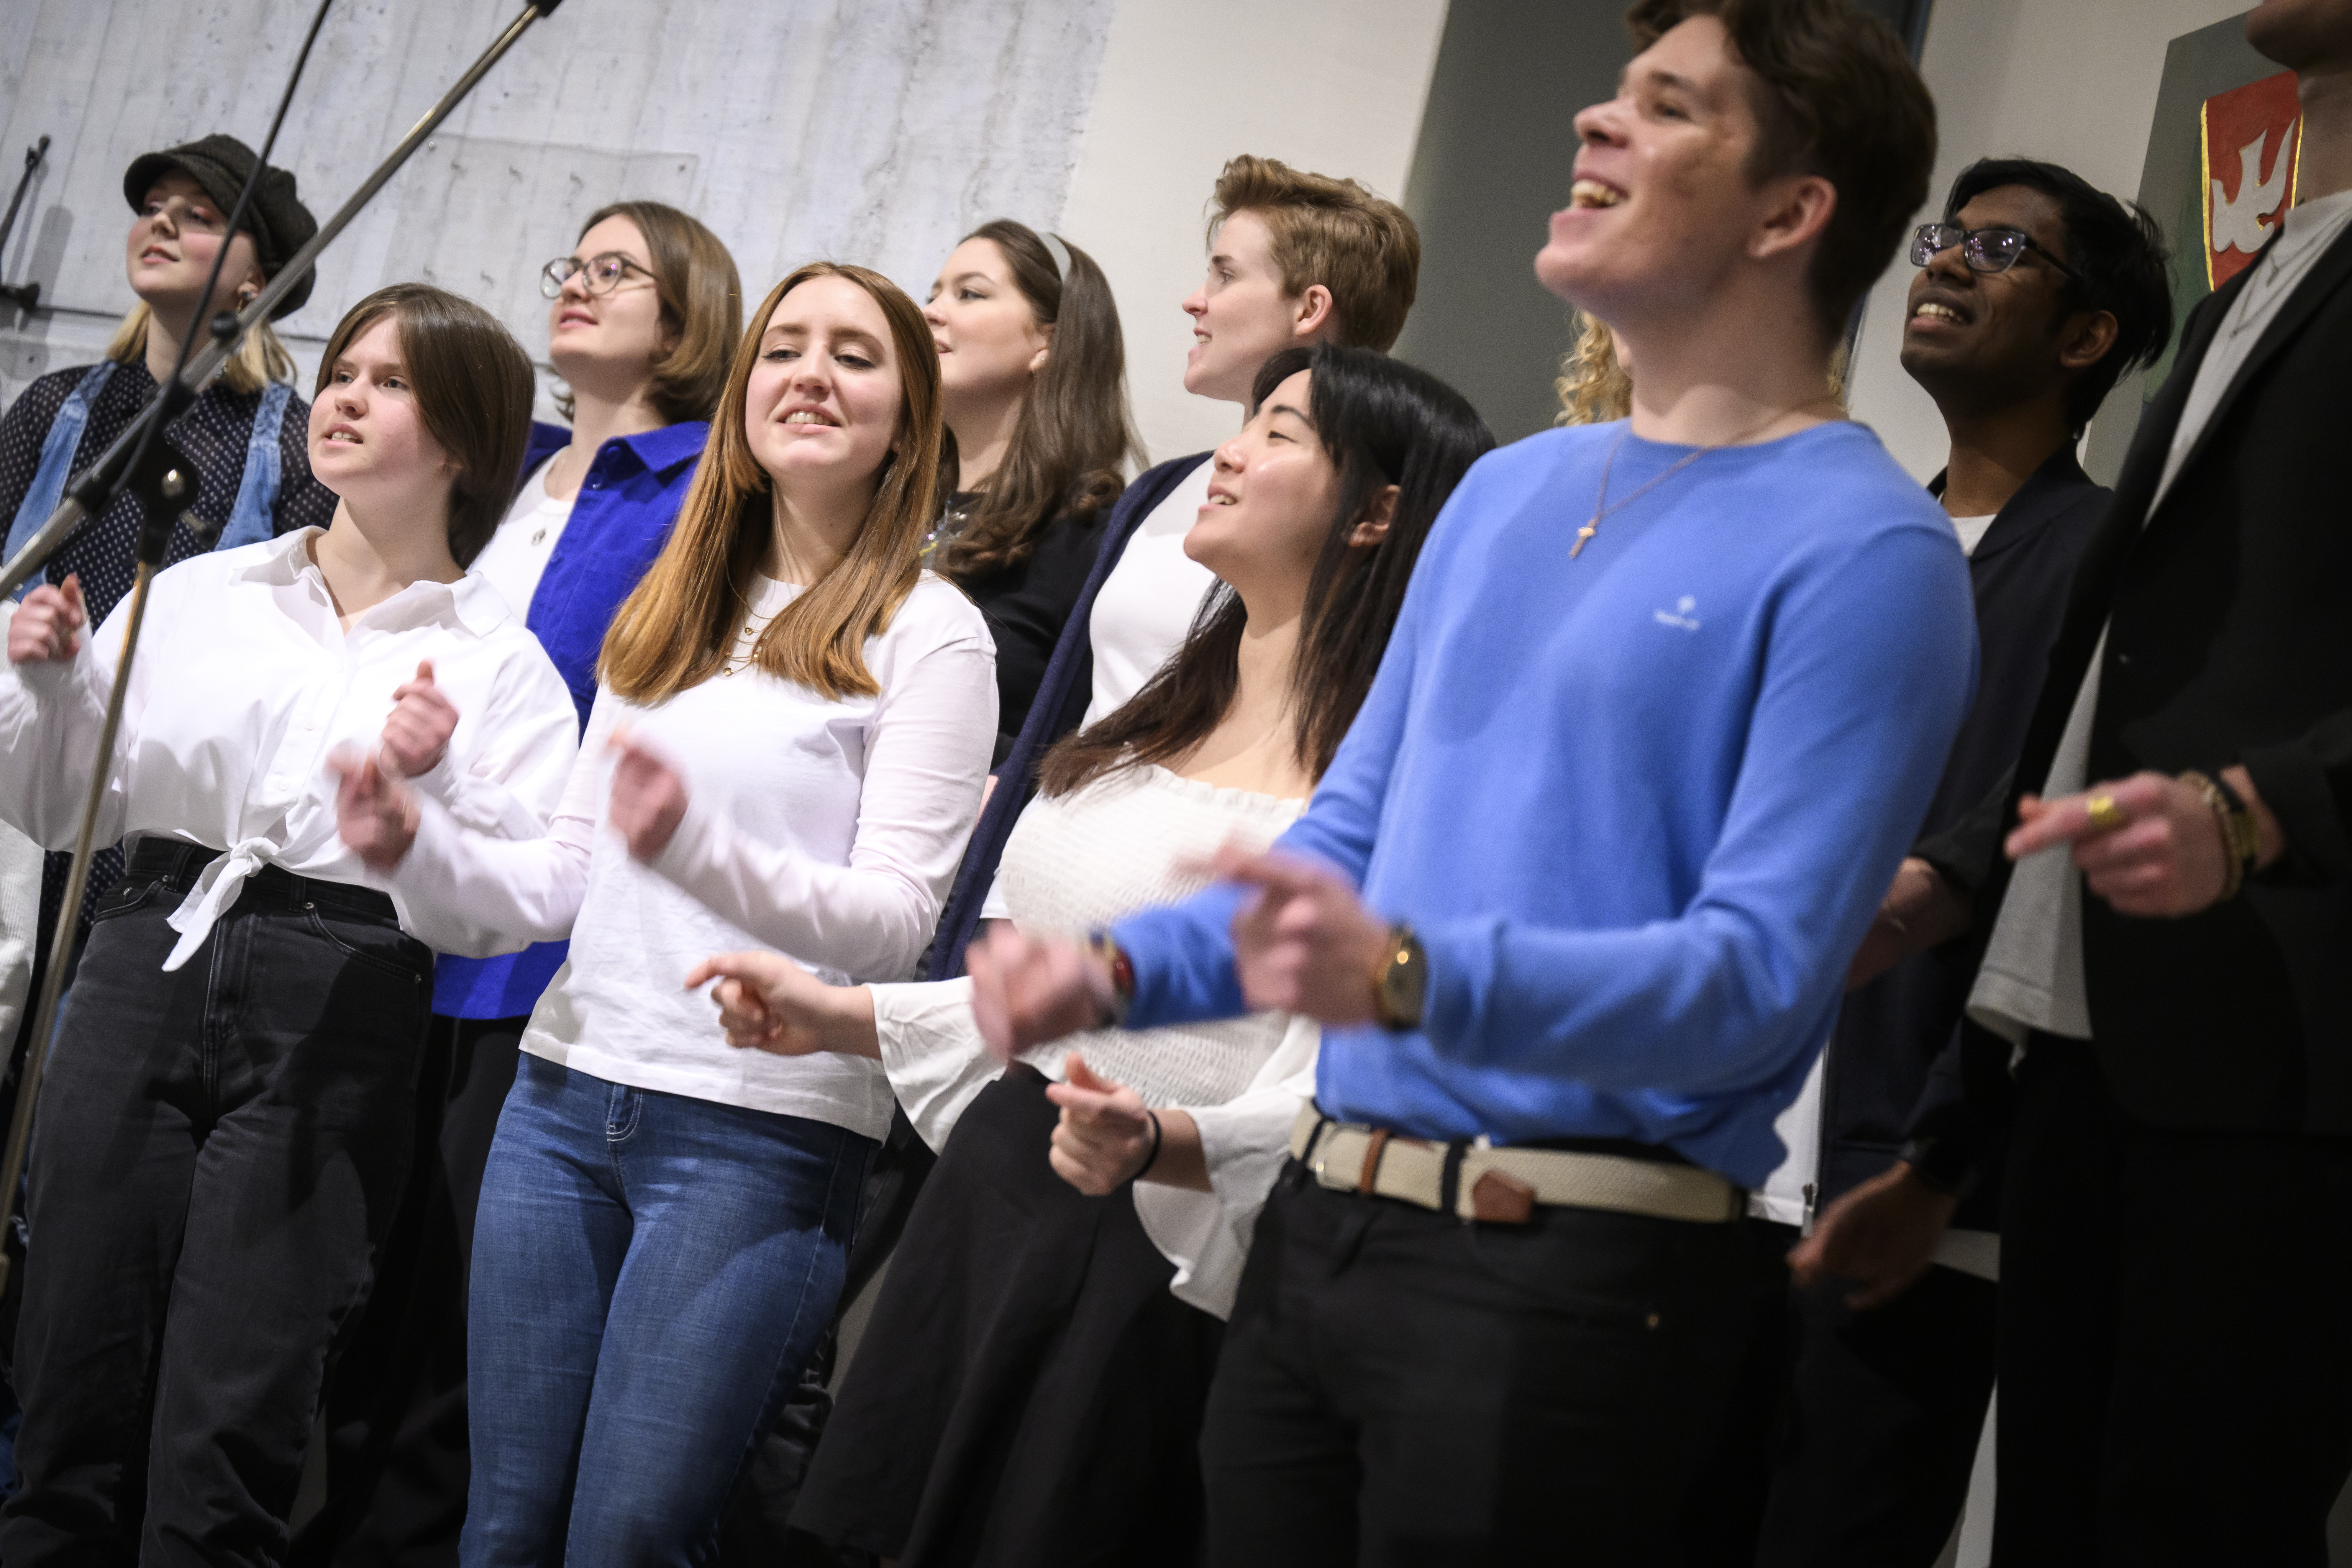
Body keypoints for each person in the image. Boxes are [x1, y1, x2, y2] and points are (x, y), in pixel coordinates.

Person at [966, 1, 1975, 1560]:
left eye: (1667, 106)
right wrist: (1108, 969)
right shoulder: (1507, 491)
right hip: (1316, 1232)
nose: (1592, 124)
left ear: (1791, 213)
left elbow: (1757, 979)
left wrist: (1409, 972)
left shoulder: (1867, 549)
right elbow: (1349, 843)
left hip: (1570, 1282)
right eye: (1612, 91)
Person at [698, 346, 1489, 1567]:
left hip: (1164, 1248)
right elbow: (1040, 985)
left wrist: (1164, 1141)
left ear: (1379, 512)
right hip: (1003, 1184)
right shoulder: (1156, 712)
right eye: (1246, 423)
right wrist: (842, 1014)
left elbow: (1358, 1077)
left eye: (1281, 434)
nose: (1228, 452)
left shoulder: (1408, 785)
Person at [334, 261, 997, 1564]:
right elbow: (557, 885)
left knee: (629, 1537)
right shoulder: (669, 614)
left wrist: (698, 851)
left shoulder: (936, 633)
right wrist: (417, 844)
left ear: (911, 423)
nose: (809, 373)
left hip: (755, 1139)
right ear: (744, 396)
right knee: (504, 1524)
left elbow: (893, 924)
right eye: (785, 349)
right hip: (562, 1098)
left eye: (854, 356)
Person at [1857, 1, 2352, 1557]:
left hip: (2289, 1060)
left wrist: (2262, 804)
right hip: (2086, 1049)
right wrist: (1957, 901)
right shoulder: (2249, 292)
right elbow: (2102, 696)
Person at [0, 282, 577, 1563]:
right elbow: (51, 809)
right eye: (343, 371)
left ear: (471, 439)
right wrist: (42, 689)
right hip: (144, 950)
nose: (345, 399)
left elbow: (526, 906)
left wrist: (418, 816)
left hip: (341, 998)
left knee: (230, 1433)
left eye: (390, 382)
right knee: (65, 1395)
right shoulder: (199, 592)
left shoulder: (500, 666)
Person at [296, 200, 742, 1567]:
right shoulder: (507, 462)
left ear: (687, 318)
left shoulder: (698, 489)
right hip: (385, 890)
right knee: (340, 1260)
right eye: (574, 264)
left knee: (453, 1276)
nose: (581, 287)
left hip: (539, 922)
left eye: (621, 273)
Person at [1738, 157, 2170, 1566]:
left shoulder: (2102, 555)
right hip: (1728, 1137)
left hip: (1905, 1172)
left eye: (1999, 248)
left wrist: (1944, 1140)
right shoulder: (1859, 534)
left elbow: (2036, 856)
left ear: (2084, 334)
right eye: (1942, 236)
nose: (1944, 263)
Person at [925, 154, 1421, 987]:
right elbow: (1073, 705)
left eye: (1224, 275)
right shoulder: (1166, 487)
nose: (1195, 300)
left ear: (1308, 307)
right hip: (1031, 884)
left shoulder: (1351, 518)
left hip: (1161, 919)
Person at [0, 134, 333, 1147]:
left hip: (147, 821)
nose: (162, 222)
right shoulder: (56, 408)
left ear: (257, 278)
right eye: (155, 207)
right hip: (12, 786)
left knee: (74, 1107)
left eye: (199, 216)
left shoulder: (292, 448)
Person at [924, 219, 1140, 762]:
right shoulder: (886, 496)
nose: (930, 311)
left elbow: (1085, 743)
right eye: (933, 294)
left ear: (1048, 340)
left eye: (969, 294)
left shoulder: (1090, 535)